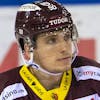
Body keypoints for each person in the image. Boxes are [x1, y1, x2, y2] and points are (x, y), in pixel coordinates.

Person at [0, 0, 100, 99]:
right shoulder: (5, 92)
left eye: (67, 36)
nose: (64, 48)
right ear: (28, 48)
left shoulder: (94, 76)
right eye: (52, 40)